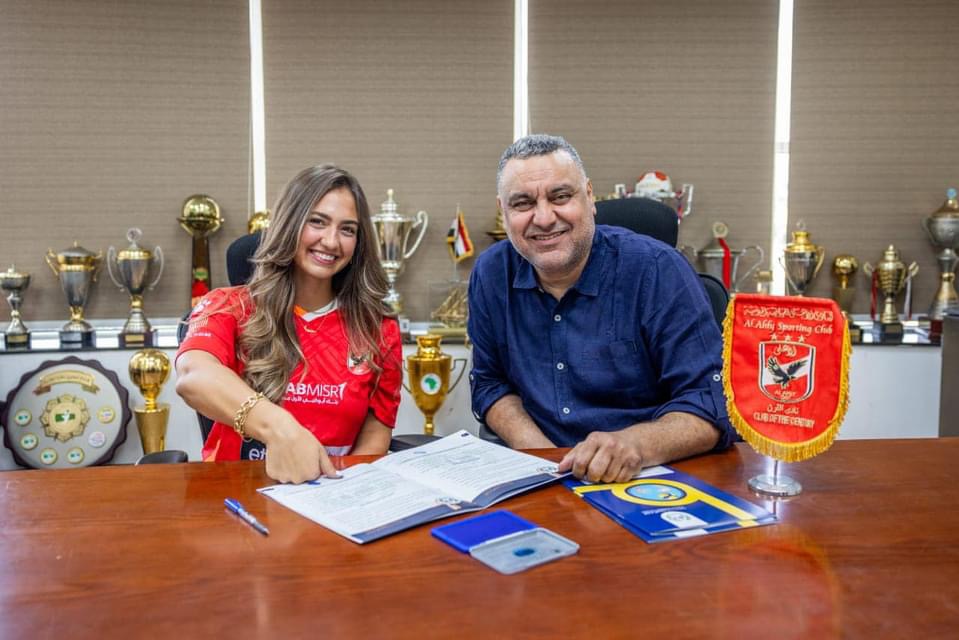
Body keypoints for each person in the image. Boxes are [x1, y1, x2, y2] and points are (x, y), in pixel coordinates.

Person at [468, 134, 733, 484]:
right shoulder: (491, 274)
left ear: (590, 196)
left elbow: (711, 402)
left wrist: (636, 444)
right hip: (540, 477)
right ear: (503, 212)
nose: (544, 218)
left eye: (560, 197)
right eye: (522, 203)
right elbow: (490, 383)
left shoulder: (659, 270)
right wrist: (545, 458)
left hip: (646, 478)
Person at [175, 164, 402, 483]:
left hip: (332, 493)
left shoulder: (377, 327)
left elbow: (377, 427)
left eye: (347, 229)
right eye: (317, 222)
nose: (331, 241)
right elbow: (193, 376)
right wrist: (280, 429)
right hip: (237, 492)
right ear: (290, 224)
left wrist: (347, 486)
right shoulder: (229, 305)